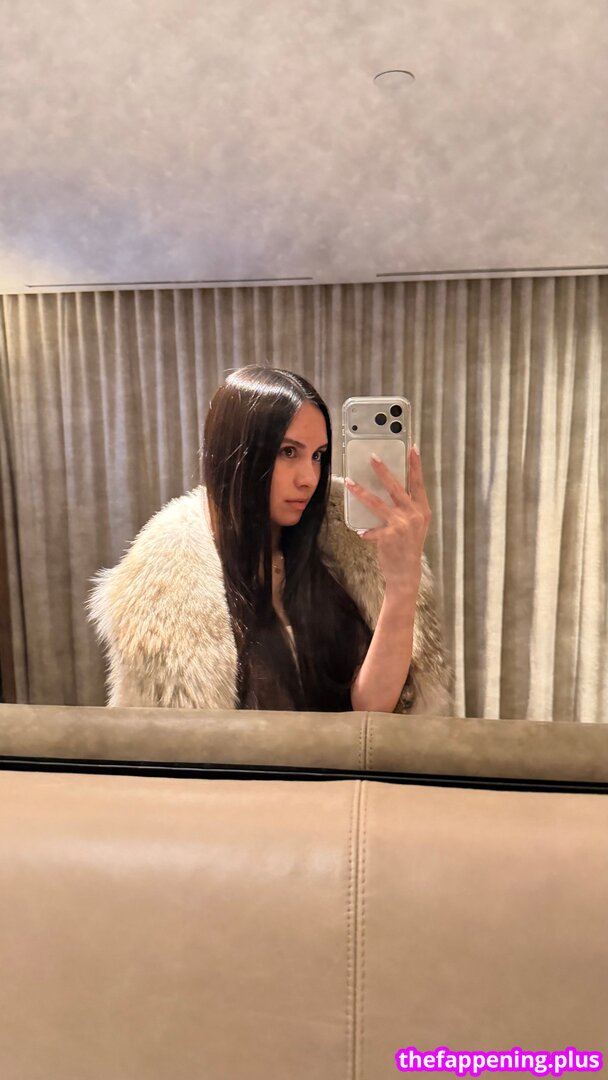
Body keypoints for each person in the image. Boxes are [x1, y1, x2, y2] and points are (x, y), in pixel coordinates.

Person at [87, 366, 451, 713]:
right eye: (288, 452)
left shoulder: (330, 557)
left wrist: (402, 585)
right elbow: (178, 739)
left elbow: (371, 708)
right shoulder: (174, 591)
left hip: (343, 760)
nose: (309, 478)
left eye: (318, 456)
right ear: (236, 456)